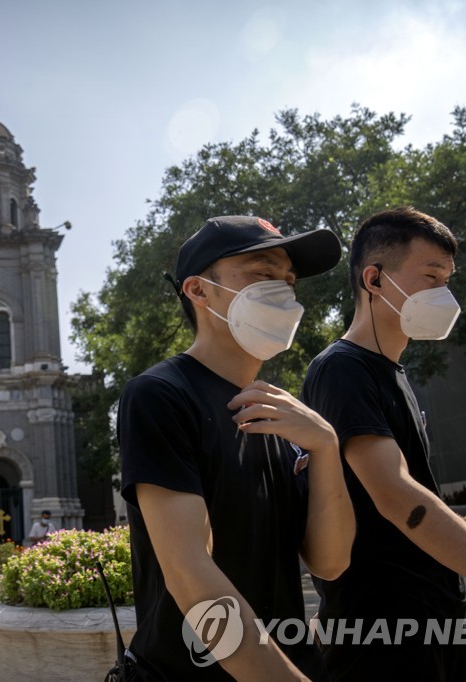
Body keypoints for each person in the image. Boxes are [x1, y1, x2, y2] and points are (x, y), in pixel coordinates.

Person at [301, 206, 466, 680]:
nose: (445, 294)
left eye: (448, 279)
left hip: (446, 619)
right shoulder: (341, 369)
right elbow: (396, 497)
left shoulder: (393, 375)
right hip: (387, 636)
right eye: (431, 276)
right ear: (373, 280)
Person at [119, 215, 355, 680]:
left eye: (288, 281)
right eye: (262, 275)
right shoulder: (160, 395)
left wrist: (326, 447)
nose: (285, 293)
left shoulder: (281, 414)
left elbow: (330, 561)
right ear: (199, 291)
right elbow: (191, 575)